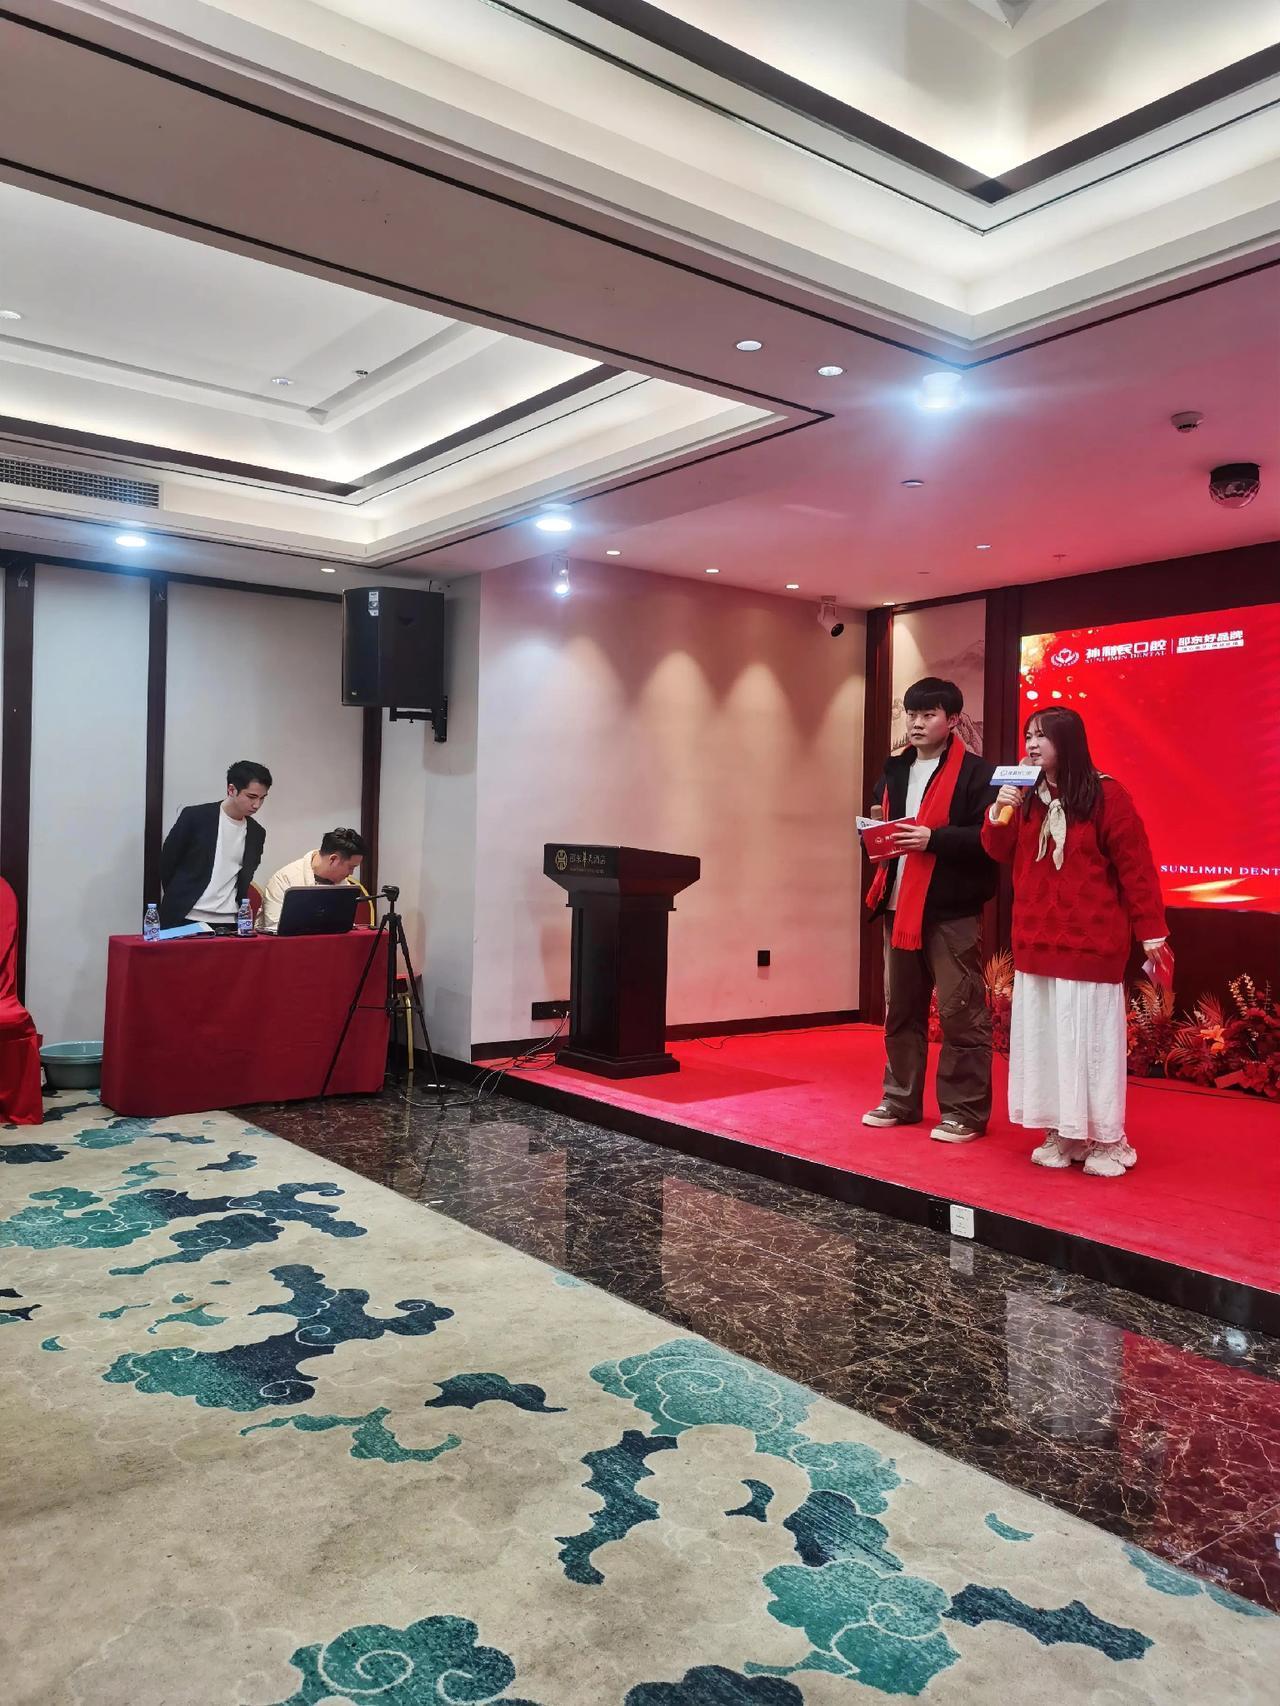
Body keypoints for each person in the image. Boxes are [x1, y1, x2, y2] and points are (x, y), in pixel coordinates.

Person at [981, 706, 1171, 1178]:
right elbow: (997, 850)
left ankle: (1107, 1139)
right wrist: (1001, 809)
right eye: (1028, 736)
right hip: (1035, 940)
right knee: (1045, 1044)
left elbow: (1136, 868)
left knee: (1090, 1045)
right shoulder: (1024, 796)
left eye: (1041, 737)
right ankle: (1062, 1132)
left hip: (1092, 943)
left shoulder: (1107, 794)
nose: (1031, 745)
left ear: (1068, 741)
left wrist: (1151, 931)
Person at [862, 678, 998, 1143]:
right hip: (898, 905)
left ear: (953, 720)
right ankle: (900, 1099)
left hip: (950, 911)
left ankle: (964, 1112)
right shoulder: (894, 769)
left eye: (928, 714)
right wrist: (872, 835)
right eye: (911, 714)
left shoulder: (978, 774)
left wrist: (933, 839)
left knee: (961, 1014)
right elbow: (882, 827)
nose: (916, 723)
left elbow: (990, 840)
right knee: (900, 1011)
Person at [159, 760, 272, 929]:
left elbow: (245, 877)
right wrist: (180, 896)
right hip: (186, 915)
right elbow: (167, 862)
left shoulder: (257, 832)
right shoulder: (195, 817)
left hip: (230, 920)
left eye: (262, 798)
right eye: (251, 797)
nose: (257, 805)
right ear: (231, 790)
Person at [258, 827, 367, 933]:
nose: (351, 873)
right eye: (351, 867)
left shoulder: (343, 884)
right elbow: (275, 927)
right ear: (333, 859)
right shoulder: (284, 879)